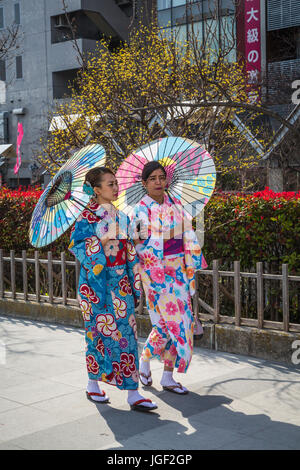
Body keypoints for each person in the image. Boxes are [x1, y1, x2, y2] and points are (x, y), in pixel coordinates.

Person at [69, 167, 157, 412]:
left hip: (120, 283)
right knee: (97, 336)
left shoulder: (122, 215)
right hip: (96, 287)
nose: (116, 188)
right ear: (96, 190)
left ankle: (132, 392)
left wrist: (136, 238)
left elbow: (131, 248)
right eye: (110, 184)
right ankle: (93, 384)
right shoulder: (86, 218)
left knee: (128, 335)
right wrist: (103, 240)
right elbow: (77, 247)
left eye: (116, 183)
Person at [130, 161, 207, 395]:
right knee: (168, 325)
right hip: (156, 273)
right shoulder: (140, 210)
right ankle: (146, 360)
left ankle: (166, 375)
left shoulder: (175, 204)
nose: (158, 182)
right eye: (152, 178)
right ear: (144, 183)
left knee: (180, 324)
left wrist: (185, 231)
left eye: (161, 177)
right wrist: (170, 233)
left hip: (178, 271)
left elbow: (188, 235)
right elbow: (138, 242)